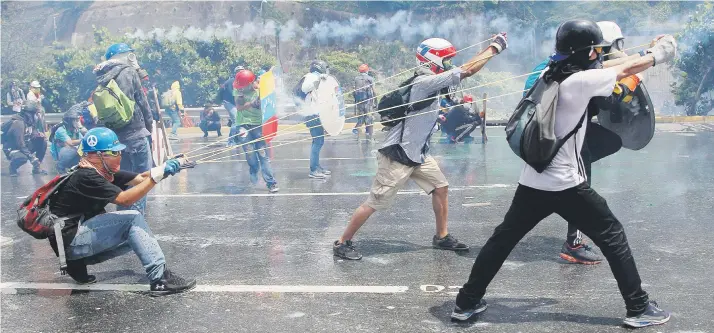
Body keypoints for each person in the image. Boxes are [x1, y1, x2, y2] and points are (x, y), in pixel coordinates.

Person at [452, 20, 676, 328]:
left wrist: (647, 48)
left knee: (501, 241)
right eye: (595, 50)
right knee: (613, 235)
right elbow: (624, 70)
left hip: (533, 179)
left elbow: (613, 62)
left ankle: (465, 302)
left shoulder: (549, 74)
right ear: (585, 53)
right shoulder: (580, 82)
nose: (599, 55)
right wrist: (659, 53)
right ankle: (638, 308)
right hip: (565, 184)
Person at [332, 33, 509, 260]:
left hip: (419, 154)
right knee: (376, 201)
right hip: (398, 154)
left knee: (441, 187)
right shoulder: (424, 82)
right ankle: (342, 241)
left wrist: (485, 48)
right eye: (445, 61)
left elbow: (463, 69)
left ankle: (441, 236)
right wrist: (494, 48)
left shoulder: (433, 81)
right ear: (433, 60)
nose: (449, 65)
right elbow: (466, 70)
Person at [522, 21, 656, 265]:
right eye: (600, 49)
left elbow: (610, 64)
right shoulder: (575, 72)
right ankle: (573, 243)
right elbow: (611, 98)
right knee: (579, 184)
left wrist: (642, 55)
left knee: (608, 142)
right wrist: (634, 78)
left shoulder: (562, 62)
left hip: (546, 134)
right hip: (556, 137)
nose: (601, 54)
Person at [45, 127, 196, 295]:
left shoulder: (102, 171)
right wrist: (157, 176)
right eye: (114, 152)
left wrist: (167, 168)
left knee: (138, 236)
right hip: (71, 244)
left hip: (71, 246)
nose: (120, 156)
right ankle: (160, 279)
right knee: (133, 219)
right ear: (98, 155)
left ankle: (78, 267)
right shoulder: (86, 176)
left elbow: (140, 179)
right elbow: (126, 199)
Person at [93, 43, 154, 215]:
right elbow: (141, 102)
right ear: (126, 56)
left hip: (115, 140)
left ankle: (123, 219)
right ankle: (135, 221)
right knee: (141, 181)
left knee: (125, 180)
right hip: (135, 135)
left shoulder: (103, 75)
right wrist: (148, 128)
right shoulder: (128, 72)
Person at [231, 69, 279, 193]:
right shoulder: (238, 90)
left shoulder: (261, 90)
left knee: (263, 155)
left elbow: (270, 105)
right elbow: (239, 107)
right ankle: (254, 179)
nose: (241, 88)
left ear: (251, 83)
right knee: (250, 155)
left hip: (258, 125)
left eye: (243, 86)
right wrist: (251, 103)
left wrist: (261, 96)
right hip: (243, 126)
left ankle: (271, 182)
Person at [297, 60, 332, 179]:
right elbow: (305, 88)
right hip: (312, 114)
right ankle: (313, 170)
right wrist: (318, 79)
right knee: (317, 142)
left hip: (316, 114)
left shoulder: (315, 77)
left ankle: (317, 166)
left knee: (319, 141)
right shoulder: (311, 76)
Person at [1, 101, 48, 176]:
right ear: (29, 114)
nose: (38, 116)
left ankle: (37, 168)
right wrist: (31, 157)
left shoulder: (29, 122)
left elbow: (32, 133)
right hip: (13, 149)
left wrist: (38, 135)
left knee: (42, 142)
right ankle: (12, 168)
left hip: (24, 146)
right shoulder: (18, 123)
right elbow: (20, 143)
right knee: (22, 158)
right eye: (36, 113)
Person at [49, 107, 85, 173]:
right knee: (72, 149)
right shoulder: (61, 130)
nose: (77, 122)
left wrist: (81, 128)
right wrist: (83, 140)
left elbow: (84, 139)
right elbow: (71, 143)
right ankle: (60, 166)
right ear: (69, 121)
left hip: (70, 152)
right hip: (60, 153)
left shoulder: (75, 130)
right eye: (75, 120)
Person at [352, 64, 377, 140]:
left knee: (361, 117)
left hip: (359, 101)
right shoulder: (370, 78)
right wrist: (376, 100)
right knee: (369, 117)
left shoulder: (356, 79)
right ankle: (369, 135)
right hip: (368, 101)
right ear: (367, 70)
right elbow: (374, 90)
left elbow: (354, 90)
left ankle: (357, 130)